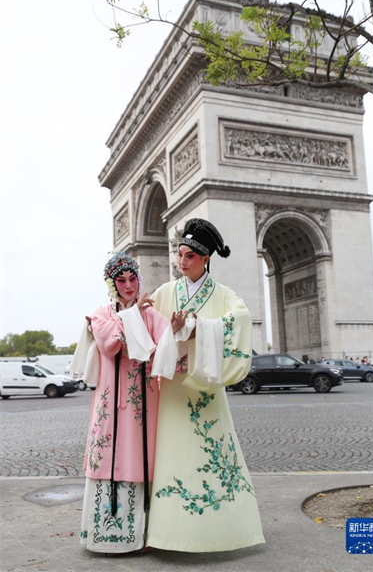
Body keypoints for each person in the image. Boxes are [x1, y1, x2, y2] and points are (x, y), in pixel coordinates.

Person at [146, 218, 265, 552]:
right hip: (173, 389)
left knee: (213, 453)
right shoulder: (166, 293)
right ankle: (168, 533)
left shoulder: (225, 296)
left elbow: (241, 320)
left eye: (190, 257)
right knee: (174, 454)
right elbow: (147, 326)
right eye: (180, 255)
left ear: (206, 258)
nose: (182, 262)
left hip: (206, 389)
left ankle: (223, 531)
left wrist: (201, 329)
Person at [76, 252, 182, 554]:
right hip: (110, 404)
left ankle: (145, 534)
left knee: (141, 457)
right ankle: (106, 535)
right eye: (121, 280)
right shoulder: (101, 314)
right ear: (112, 284)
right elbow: (109, 346)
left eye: (133, 278)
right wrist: (133, 316)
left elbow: (167, 348)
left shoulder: (150, 314)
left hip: (143, 406)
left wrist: (176, 329)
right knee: (108, 455)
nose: (128, 285)